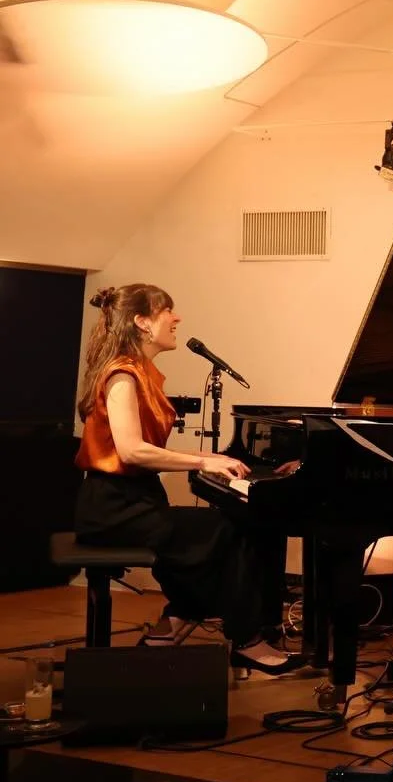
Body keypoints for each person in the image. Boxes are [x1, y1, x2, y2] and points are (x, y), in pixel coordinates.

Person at [73, 283, 304, 675]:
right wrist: (201, 465)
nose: (176, 318)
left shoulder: (141, 372)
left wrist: (209, 455)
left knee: (225, 530)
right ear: (142, 322)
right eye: (168, 311)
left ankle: (177, 622)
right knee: (227, 529)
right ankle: (245, 640)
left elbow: (142, 448)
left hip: (135, 502)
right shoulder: (123, 377)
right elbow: (131, 451)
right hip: (113, 509)